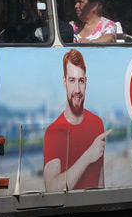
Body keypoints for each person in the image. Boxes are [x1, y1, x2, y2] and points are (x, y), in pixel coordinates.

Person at [43, 49, 107, 191]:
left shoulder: (97, 123)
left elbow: (100, 181)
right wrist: (88, 156)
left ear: (86, 82)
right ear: (64, 82)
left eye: (81, 81)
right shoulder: (53, 131)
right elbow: (52, 190)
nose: (77, 89)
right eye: (72, 81)